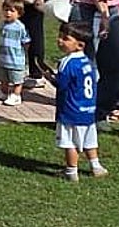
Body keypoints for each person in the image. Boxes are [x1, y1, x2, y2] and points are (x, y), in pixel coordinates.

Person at [42, 21, 108, 182]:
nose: (59, 40)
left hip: (71, 111)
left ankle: (71, 172)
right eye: (59, 36)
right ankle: (96, 166)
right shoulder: (87, 62)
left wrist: (50, 77)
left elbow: (61, 85)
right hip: (88, 110)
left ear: (79, 45)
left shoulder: (67, 62)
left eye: (65, 38)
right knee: (89, 140)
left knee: (69, 142)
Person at [0, 0, 29, 106]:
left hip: (16, 59)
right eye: (6, 10)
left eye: (12, 11)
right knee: (3, 78)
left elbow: (26, 41)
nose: (8, 13)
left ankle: (16, 95)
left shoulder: (20, 27)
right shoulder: (3, 24)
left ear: (19, 13)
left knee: (17, 79)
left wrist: (24, 54)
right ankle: (3, 92)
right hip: (3, 57)